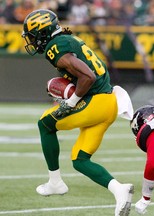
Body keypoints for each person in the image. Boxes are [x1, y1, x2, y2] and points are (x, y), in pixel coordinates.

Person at [22, 9, 133, 216]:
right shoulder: (68, 39)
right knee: (80, 160)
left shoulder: (55, 46)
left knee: (45, 124)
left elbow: (88, 76)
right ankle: (120, 190)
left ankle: (54, 182)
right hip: (109, 103)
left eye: (32, 35)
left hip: (97, 102)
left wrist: (70, 102)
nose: (31, 40)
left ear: (42, 32)